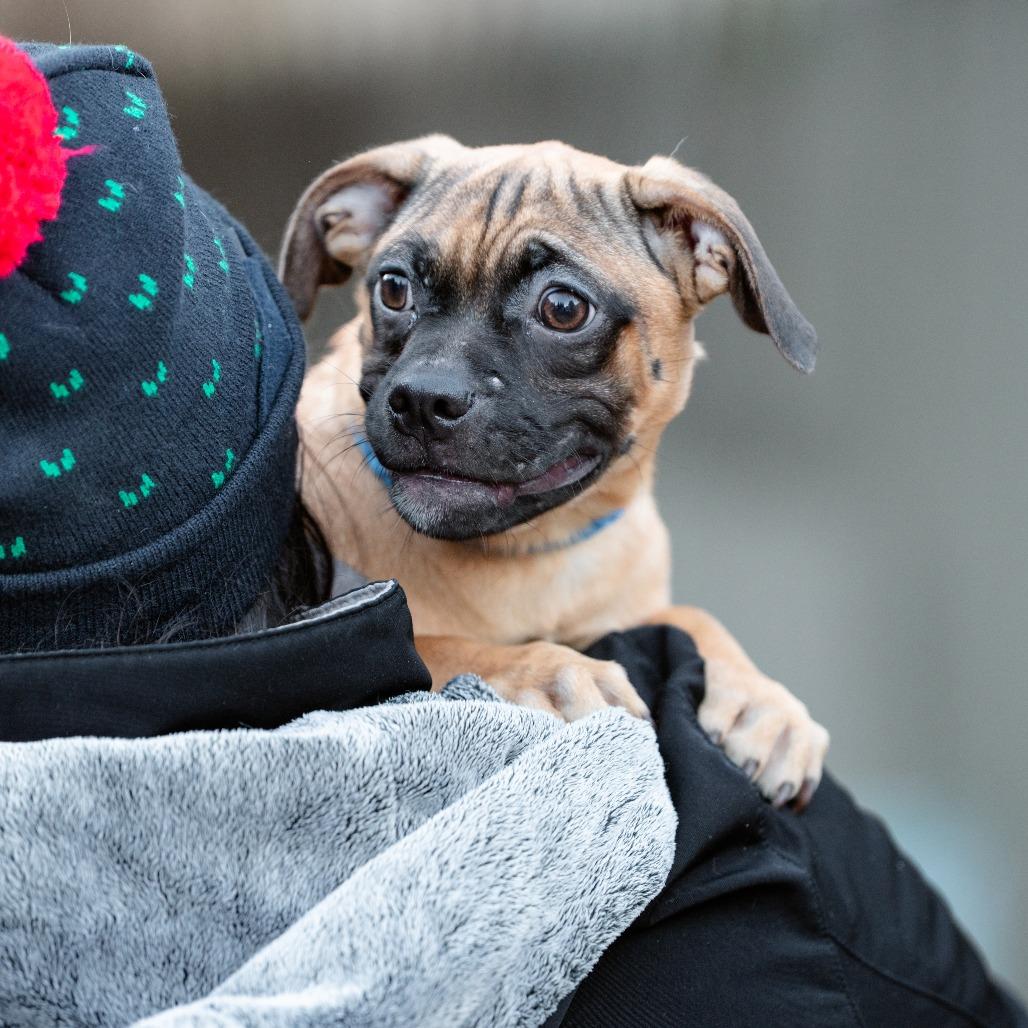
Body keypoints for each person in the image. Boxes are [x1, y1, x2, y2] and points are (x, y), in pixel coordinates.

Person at [0, 38, 1024, 1027]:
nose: (434, 379)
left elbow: (636, 638)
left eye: (561, 311)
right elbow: (311, 693)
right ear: (344, 237)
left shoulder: (616, 537)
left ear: (704, 265)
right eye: (399, 295)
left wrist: (717, 662)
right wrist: (494, 664)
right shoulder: (289, 505)